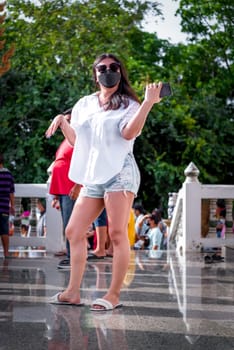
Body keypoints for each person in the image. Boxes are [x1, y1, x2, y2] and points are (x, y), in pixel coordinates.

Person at [46, 52, 163, 311]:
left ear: (120, 72)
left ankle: (113, 294)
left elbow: (128, 133)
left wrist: (147, 103)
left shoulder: (128, 104)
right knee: (74, 231)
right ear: (95, 73)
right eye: (102, 68)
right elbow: (78, 141)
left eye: (113, 67)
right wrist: (63, 121)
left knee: (118, 233)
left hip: (120, 172)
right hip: (94, 175)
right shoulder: (85, 103)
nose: (108, 71)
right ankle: (72, 292)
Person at [49, 108, 82, 269]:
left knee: (72, 225)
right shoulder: (65, 141)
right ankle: (71, 256)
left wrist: (78, 185)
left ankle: (74, 259)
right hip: (62, 189)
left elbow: (83, 162)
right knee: (67, 225)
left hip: (71, 188)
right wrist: (55, 195)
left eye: (67, 121)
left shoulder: (78, 139)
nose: (64, 124)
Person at [0, 153, 15, 258]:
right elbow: (11, 192)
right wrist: (12, 205)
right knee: (4, 230)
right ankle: (6, 253)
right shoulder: (8, 175)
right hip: (4, 206)